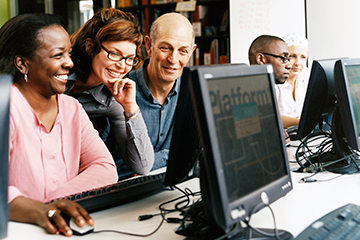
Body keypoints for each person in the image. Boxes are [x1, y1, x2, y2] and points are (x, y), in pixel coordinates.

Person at [0, 13, 118, 236]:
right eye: (58, 55)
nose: (69, 63)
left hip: (61, 227)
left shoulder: (71, 107)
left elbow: (105, 168)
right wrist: (39, 210)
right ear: (22, 63)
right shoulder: (6, 106)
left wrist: (54, 203)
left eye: (69, 53)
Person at [66, 8, 154, 179]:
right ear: (90, 46)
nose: (123, 66)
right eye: (115, 54)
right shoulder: (59, 71)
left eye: (129, 58)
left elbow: (142, 166)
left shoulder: (112, 97)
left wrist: (130, 108)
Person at [128, 13, 196, 170]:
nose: (173, 59)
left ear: (191, 51)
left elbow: (193, 151)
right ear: (149, 45)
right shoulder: (120, 91)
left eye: (183, 51)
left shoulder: (193, 93)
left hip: (178, 188)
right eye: (166, 48)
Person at [248, 34, 296, 130]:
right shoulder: (247, 92)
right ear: (261, 59)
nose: (289, 66)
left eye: (288, 59)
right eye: (283, 58)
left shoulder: (267, 87)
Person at [276, 33, 310, 127]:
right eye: (292, 56)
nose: (298, 63)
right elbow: (274, 118)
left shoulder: (307, 74)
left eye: (303, 57)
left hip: (302, 136)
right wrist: (303, 122)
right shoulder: (274, 80)